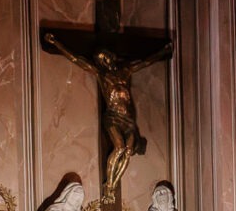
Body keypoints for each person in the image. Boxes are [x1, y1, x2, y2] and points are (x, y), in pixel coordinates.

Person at [43, 32, 173, 202]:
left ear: (111, 57)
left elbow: (145, 62)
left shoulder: (125, 71)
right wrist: (57, 43)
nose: (104, 61)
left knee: (127, 151)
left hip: (128, 120)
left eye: (105, 57)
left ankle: (115, 180)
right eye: (100, 59)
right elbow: (77, 59)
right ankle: (109, 185)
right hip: (112, 117)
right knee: (119, 147)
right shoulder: (101, 74)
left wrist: (163, 52)